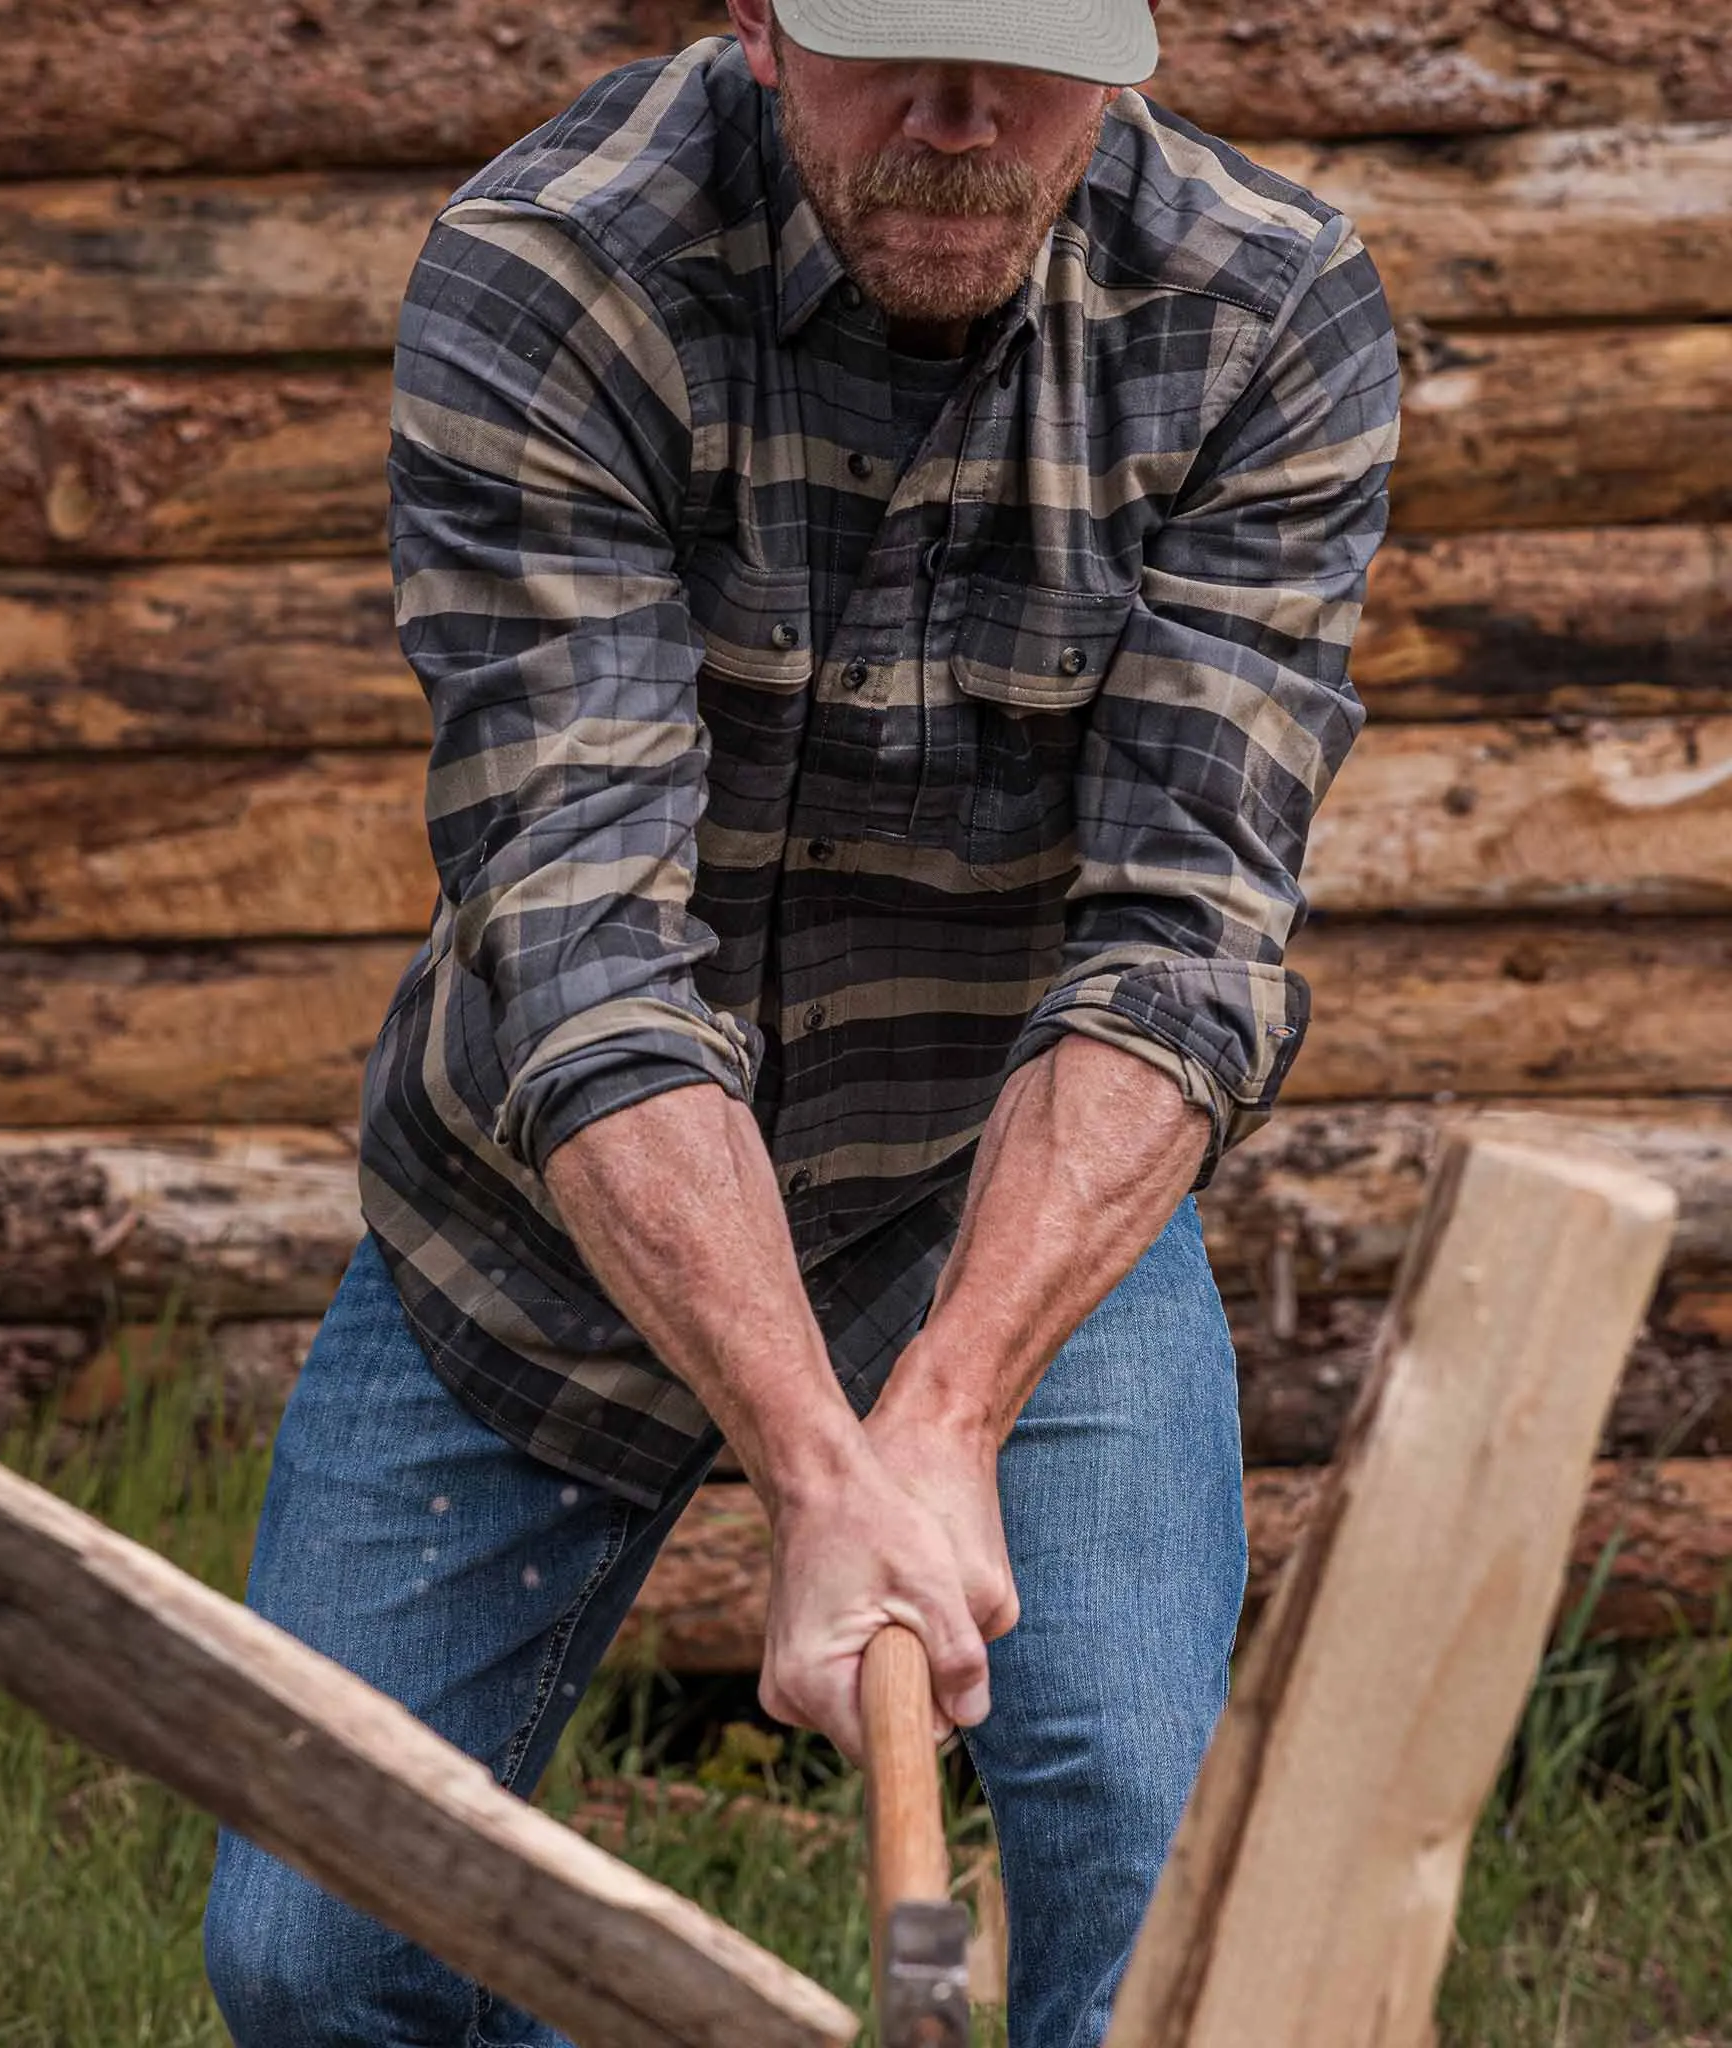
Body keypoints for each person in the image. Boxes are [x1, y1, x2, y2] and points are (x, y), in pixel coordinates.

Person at [203, 0, 1400, 2039]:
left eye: (1019, 63)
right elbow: (577, 936)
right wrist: (808, 1457)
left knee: (1135, 1852)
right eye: (893, 56)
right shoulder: (559, 264)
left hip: (995, 1200)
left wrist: (937, 1417)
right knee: (317, 1951)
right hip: (551, 1220)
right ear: (761, 28)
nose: (957, 125)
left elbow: (1181, 938)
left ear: (1133, 48)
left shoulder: (1263, 309)